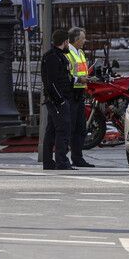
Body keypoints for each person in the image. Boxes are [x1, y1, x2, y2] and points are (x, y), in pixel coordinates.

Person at [40, 30, 75, 170]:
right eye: (68, 42)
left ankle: (48, 162)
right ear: (65, 42)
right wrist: (59, 100)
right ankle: (62, 161)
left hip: (58, 99)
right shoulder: (53, 57)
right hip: (57, 101)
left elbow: (63, 78)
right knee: (63, 130)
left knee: (52, 130)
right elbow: (51, 81)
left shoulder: (58, 56)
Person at [66, 27, 95, 168]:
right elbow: (67, 76)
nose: (85, 41)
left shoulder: (80, 52)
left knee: (81, 128)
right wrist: (80, 80)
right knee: (69, 128)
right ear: (76, 40)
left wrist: (86, 79)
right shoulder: (68, 53)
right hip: (71, 94)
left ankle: (78, 158)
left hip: (80, 94)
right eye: (83, 38)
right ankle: (64, 158)